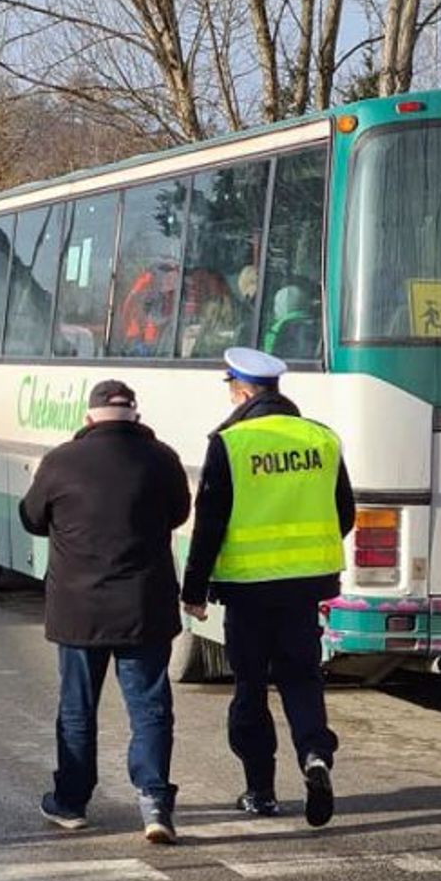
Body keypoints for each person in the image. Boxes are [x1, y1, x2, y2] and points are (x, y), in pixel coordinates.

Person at [180, 347, 355, 827]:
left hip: (248, 592)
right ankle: (315, 755)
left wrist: (193, 589)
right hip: (304, 591)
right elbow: (344, 515)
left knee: (250, 687)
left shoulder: (231, 442)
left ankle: (261, 791)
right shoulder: (322, 438)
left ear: (240, 390)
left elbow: (209, 526)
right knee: (302, 678)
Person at [19, 379, 191, 843]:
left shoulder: (61, 461)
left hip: (79, 611)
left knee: (77, 709)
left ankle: (71, 802)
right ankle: (155, 802)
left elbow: (32, 517)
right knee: (150, 707)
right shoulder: (162, 460)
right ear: (135, 415)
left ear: (89, 416)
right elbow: (179, 513)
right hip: (144, 607)